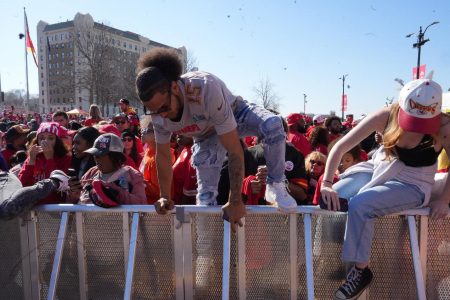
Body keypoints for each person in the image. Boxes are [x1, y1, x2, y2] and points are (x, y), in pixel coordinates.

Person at [135, 47, 297, 231]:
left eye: (164, 107)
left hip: (235, 113)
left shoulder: (204, 88)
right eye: (154, 111)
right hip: (205, 135)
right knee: (205, 200)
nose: (162, 115)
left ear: (174, 87)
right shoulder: (159, 115)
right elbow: (163, 156)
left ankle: (275, 184)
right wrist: (165, 196)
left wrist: (235, 199)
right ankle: (206, 254)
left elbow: (235, 150)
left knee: (273, 124)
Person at [320, 78, 450, 300]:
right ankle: (331, 259)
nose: (416, 128)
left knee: (362, 205)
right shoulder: (386, 115)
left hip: (414, 182)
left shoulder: (444, 125)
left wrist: (444, 199)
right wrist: (326, 183)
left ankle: (360, 271)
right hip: (380, 166)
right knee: (334, 196)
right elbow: (341, 146)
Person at [70, 133, 146, 205]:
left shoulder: (132, 175)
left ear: (115, 156)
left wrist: (115, 191)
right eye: (94, 154)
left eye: (100, 154)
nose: (96, 157)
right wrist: (74, 195)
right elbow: (73, 204)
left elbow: (141, 203)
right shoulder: (92, 172)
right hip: (86, 218)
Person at [18, 122, 72, 204]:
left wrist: (49, 159)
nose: (45, 141)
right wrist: (31, 161)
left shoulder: (65, 158)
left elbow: (57, 184)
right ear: (37, 140)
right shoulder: (33, 156)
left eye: (50, 138)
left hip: (54, 207)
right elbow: (23, 183)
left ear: (56, 140)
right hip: (34, 207)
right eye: (42, 138)